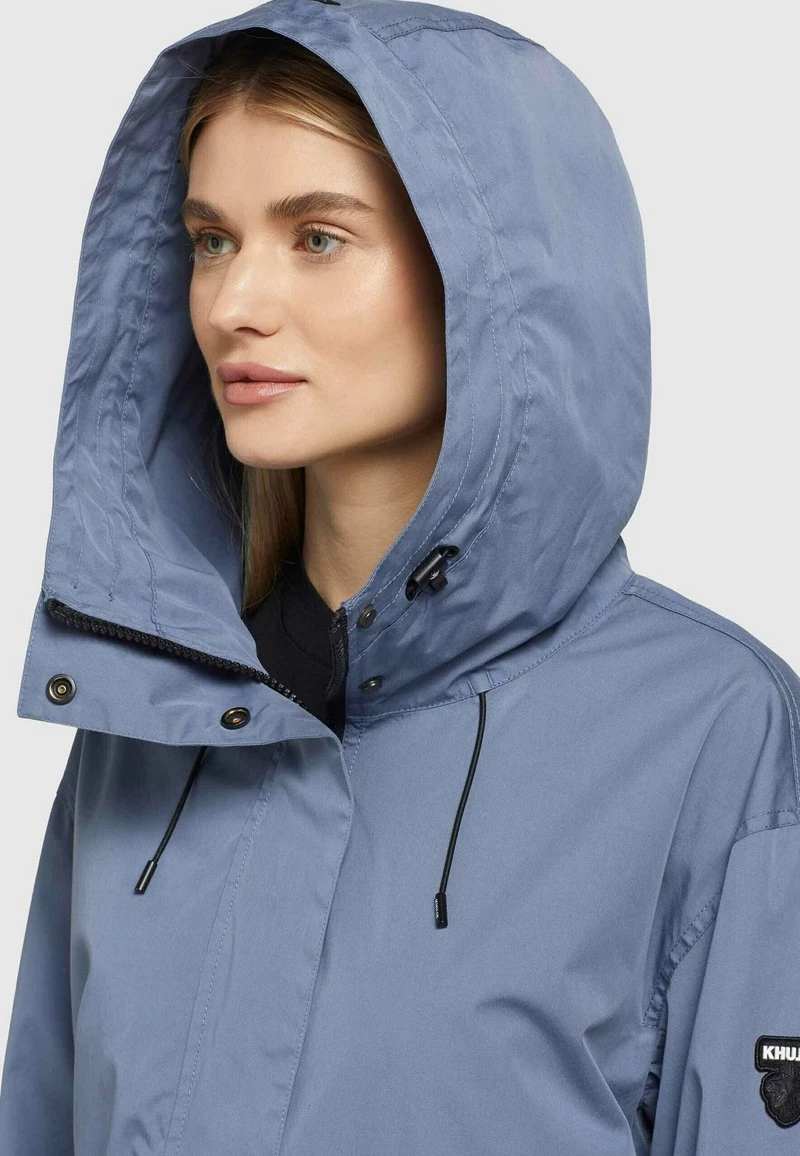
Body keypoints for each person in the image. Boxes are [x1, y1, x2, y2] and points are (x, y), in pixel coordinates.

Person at [1, 2, 798, 1152]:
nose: (233, 304)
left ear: (494, 280)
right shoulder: (156, 715)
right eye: (211, 240)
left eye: (316, 237)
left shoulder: (707, 732)